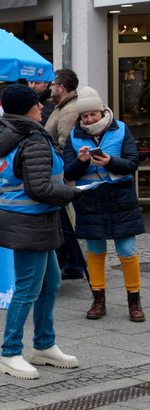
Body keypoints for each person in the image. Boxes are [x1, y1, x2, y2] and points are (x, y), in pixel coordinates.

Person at [0, 84, 83, 380]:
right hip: (32, 222)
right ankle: (10, 352)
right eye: (36, 103)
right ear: (25, 109)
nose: (41, 107)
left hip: (25, 221)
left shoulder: (4, 135)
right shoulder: (32, 138)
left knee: (50, 281)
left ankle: (44, 345)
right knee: (27, 288)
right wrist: (74, 194)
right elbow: (39, 188)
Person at [63, 86, 146, 322]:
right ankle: (98, 299)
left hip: (120, 197)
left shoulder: (120, 129)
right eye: (84, 116)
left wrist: (110, 162)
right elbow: (68, 172)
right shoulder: (74, 135)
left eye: (93, 114)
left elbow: (132, 163)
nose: (89, 119)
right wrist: (81, 161)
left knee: (127, 250)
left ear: (102, 111)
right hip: (90, 199)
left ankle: (134, 300)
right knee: (96, 251)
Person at [44, 68, 85, 280]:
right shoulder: (61, 106)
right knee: (64, 223)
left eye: (52, 84)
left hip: (64, 178)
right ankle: (72, 263)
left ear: (62, 87)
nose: (50, 88)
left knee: (66, 224)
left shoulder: (69, 110)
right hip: (60, 175)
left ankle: (73, 264)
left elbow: (66, 147)